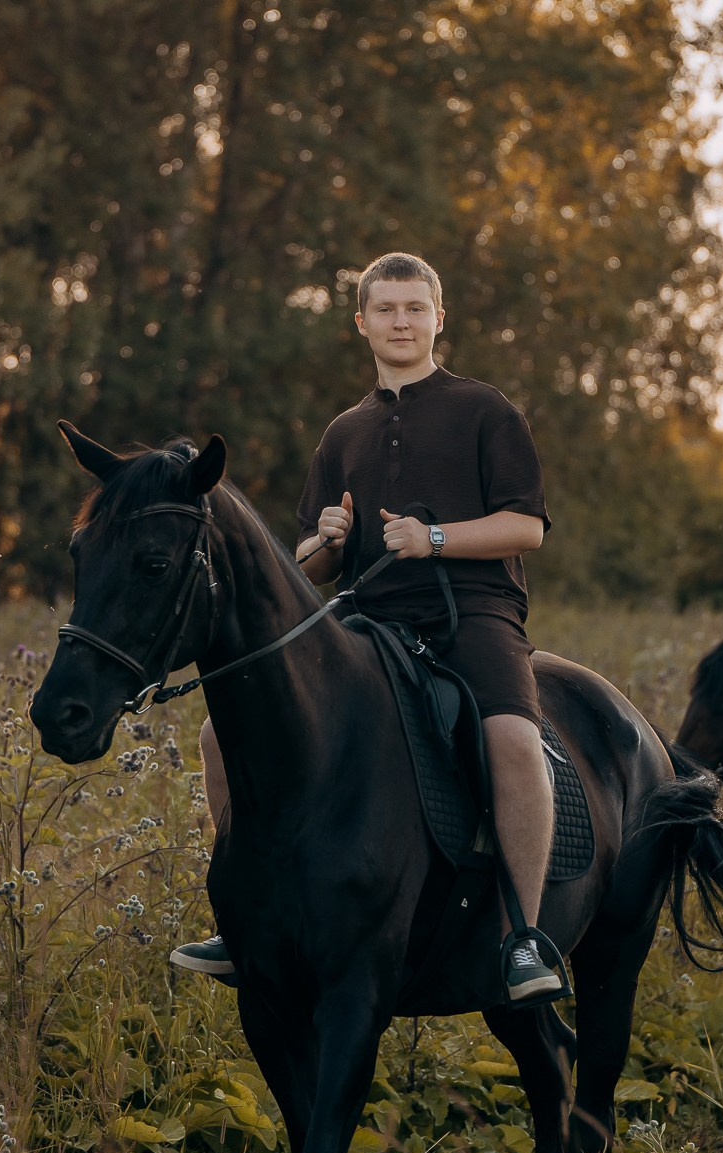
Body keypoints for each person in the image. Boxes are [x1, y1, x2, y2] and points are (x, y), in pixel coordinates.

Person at [170, 252, 565, 1002]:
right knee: (220, 734)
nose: (401, 322)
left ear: (439, 318)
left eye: (415, 308)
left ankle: (523, 935)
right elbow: (305, 567)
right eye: (385, 310)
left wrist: (435, 539)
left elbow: (527, 528)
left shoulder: (487, 410)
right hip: (365, 617)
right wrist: (326, 539)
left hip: (472, 613)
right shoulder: (343, 431)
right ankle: (241, 910)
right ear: (362, 323)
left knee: (512, 738)